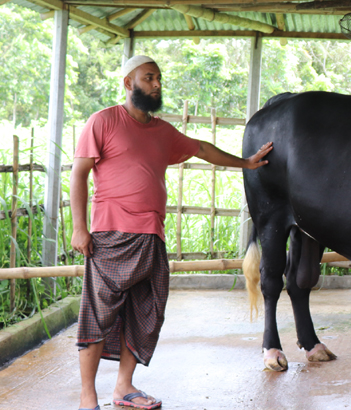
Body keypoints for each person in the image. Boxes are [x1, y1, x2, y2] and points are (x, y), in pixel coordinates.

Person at [71, 55, 272, 410]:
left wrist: (246, 162)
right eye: (149, 78)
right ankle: (88, 397)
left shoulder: (163, 132)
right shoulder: (103, 122)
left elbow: (202, 148)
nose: (156, 84)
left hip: (151, 236)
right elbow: (79, 174)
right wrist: (79, 228)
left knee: (146, 313)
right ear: (128, 83)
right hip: (109, 237)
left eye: (158, 78)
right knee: (99, 316)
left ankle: (124, 388)